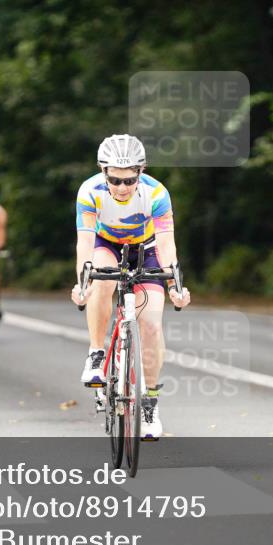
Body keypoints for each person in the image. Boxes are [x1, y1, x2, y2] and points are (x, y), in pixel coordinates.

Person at [70, 134, 191, 440]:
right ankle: (97, 353)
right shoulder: (89, 191)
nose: (122, 188)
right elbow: (84, 244)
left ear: (141, 171)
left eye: (129, 180)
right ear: (103, 172)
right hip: (105, 243)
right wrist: (82, 283)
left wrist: (176, 285)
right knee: (102, 278)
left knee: (150, 324)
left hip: (147, 248)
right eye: (114, 180)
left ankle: (149, 402)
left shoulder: (157, 194)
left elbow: (167, 245)